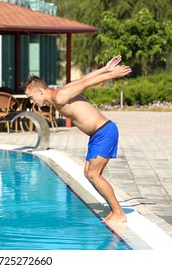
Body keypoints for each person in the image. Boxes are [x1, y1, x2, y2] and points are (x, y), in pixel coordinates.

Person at [24, 55, 131, 222]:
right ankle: (116, 211)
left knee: (94, 174)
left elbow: (86, 84)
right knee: (89, 173)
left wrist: (112, 75)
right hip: (97, 135)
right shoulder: (58, 93)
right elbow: (82, 79)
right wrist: (105, 68)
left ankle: (118, 213)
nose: (33, 102)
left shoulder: (60, 96)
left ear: (40, 91)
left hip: (104, 132)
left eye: (31, 98)